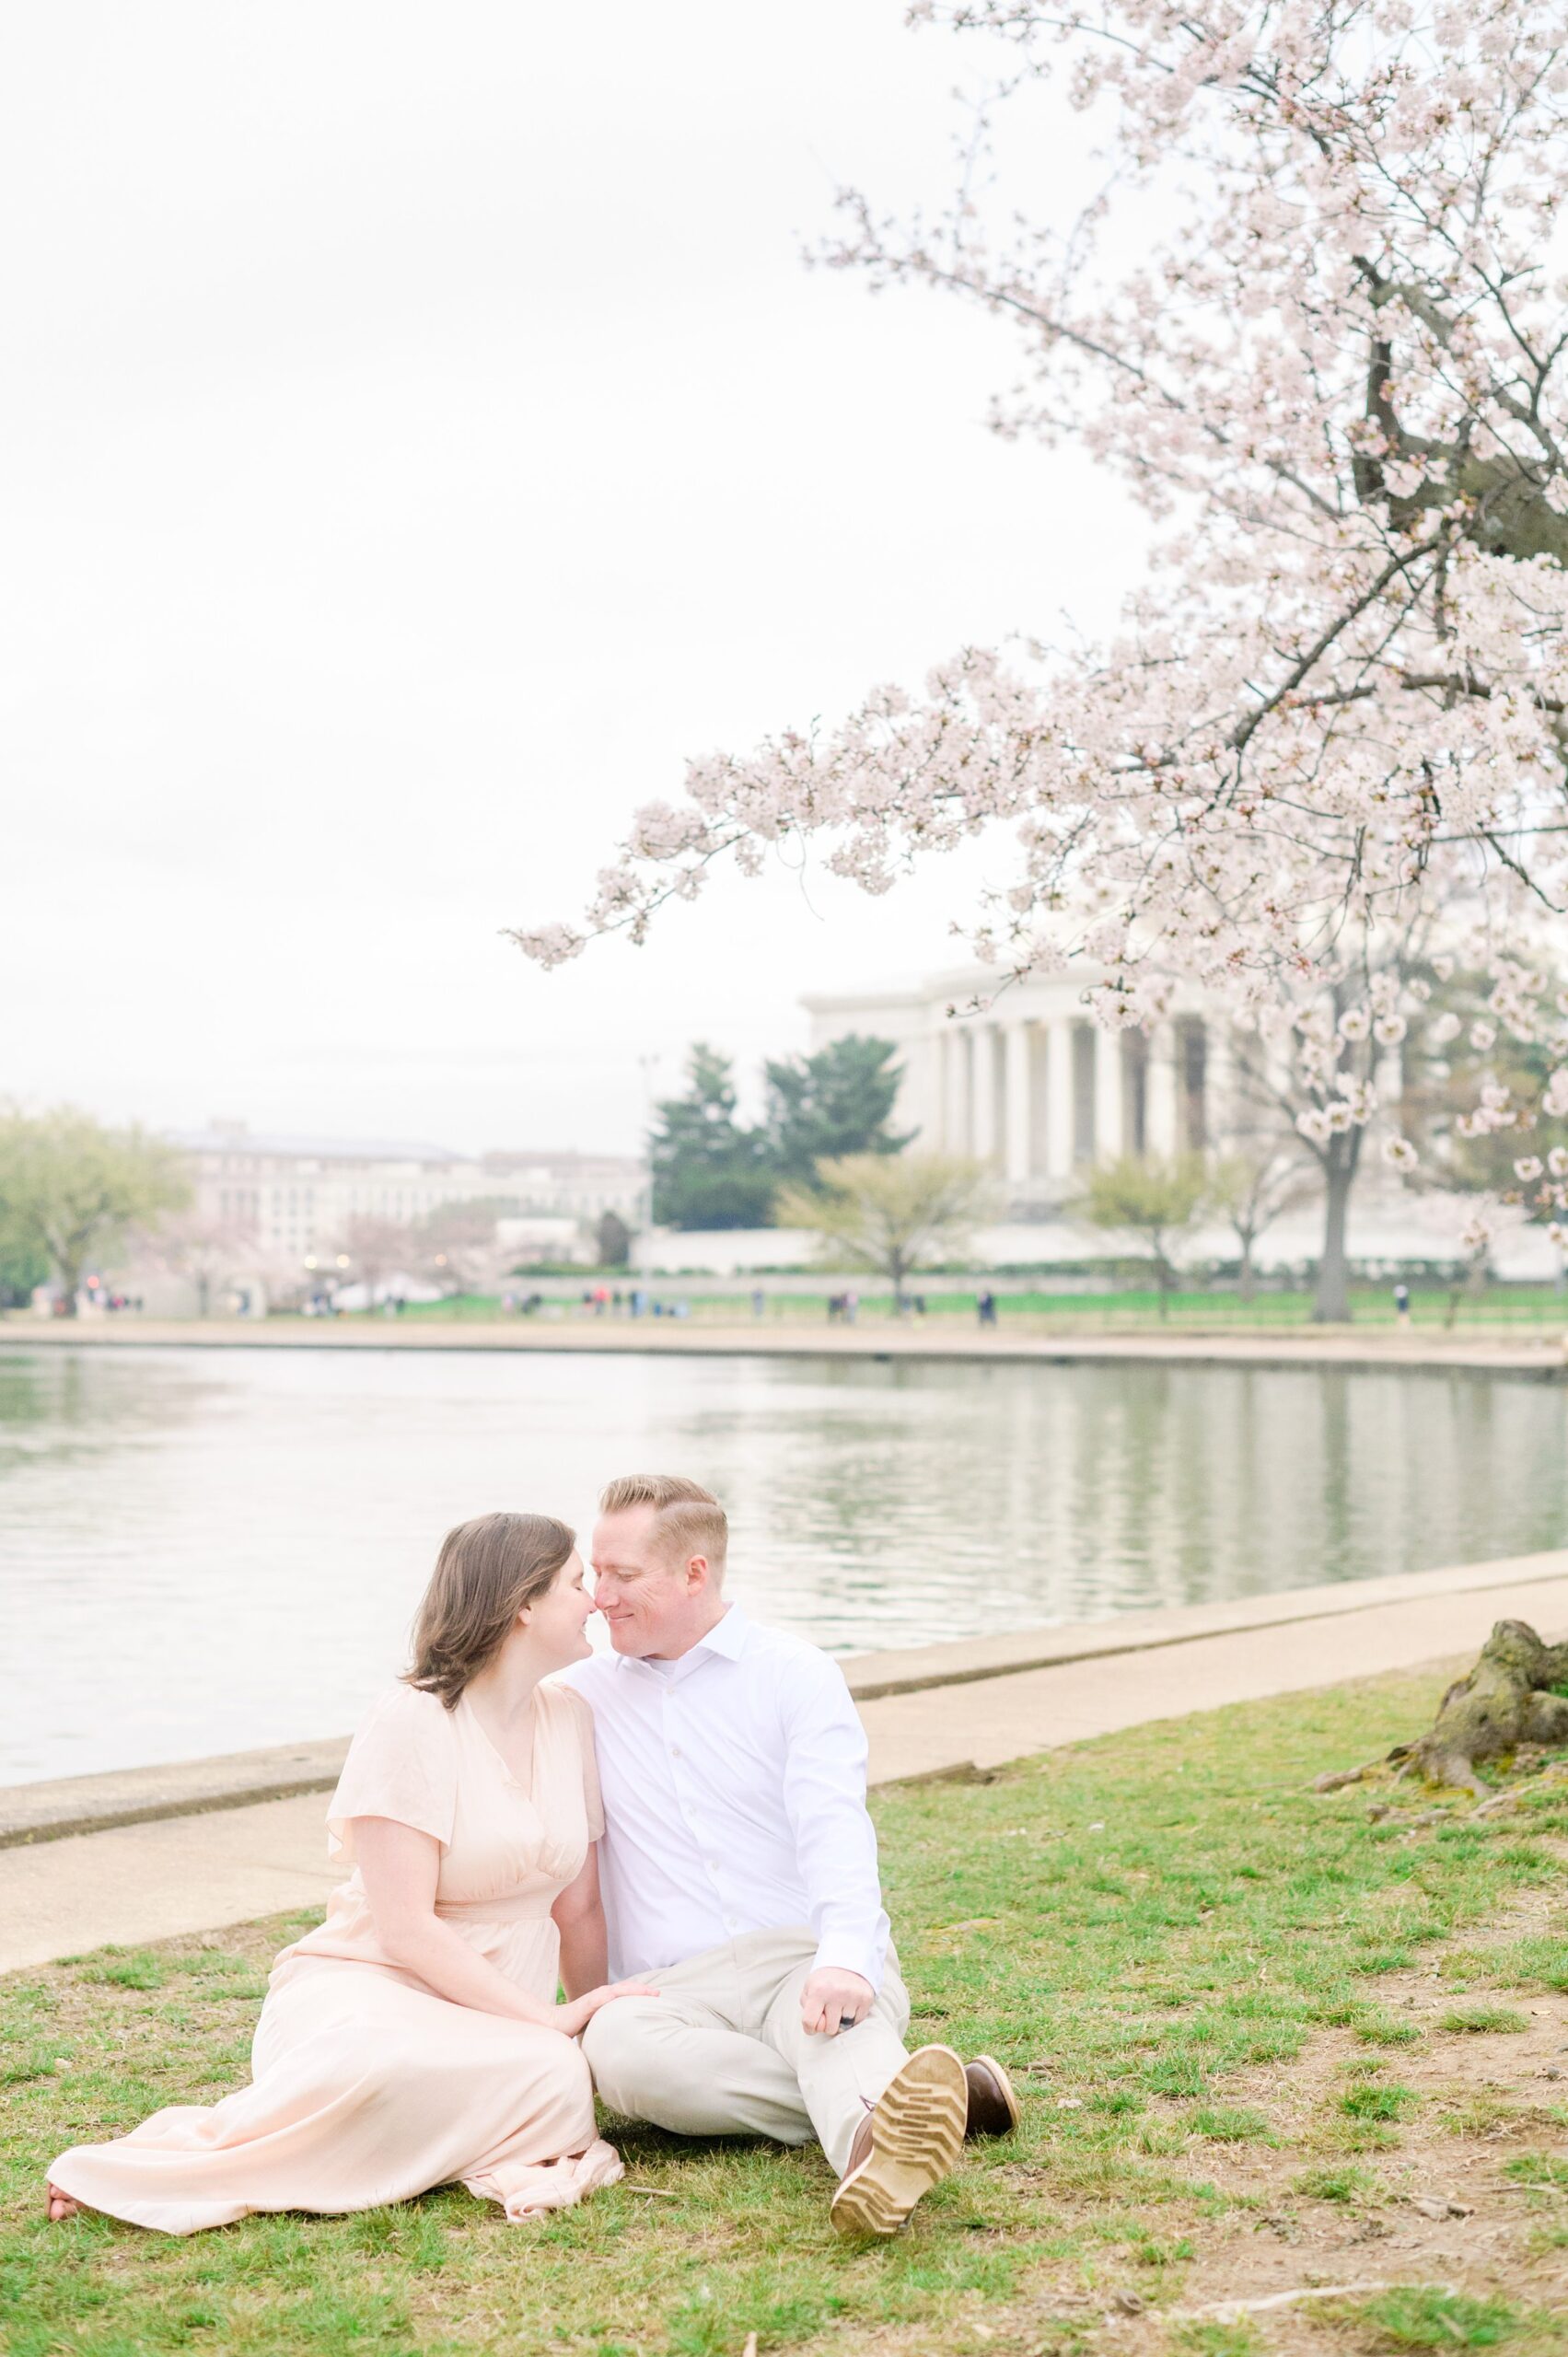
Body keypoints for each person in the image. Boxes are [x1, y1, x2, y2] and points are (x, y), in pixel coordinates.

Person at [45, 1514, 653, 2235]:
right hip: (372, 1983)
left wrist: (585, 2034)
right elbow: (405, 1927)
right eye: (578, 1583)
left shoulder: (570, 1717)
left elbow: (577, 1908)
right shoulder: (412, 1721)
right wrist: (547, 2020)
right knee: (381, 2063)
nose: (594, 1601)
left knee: (555, 2081)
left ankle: (422, 2121)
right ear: (523, 1603)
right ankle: (174, 2167)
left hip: (497, 2010)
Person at [561, 1474, 1018, 2238]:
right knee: (623, 2059)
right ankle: (933, 2104)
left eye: (622, 1575)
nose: (598, 1595)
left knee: (833, 2028)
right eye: (593, 1572)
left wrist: (844, 1956)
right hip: (669, 1990)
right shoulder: (577, 1695)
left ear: (693, 1573)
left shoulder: (794, 1673)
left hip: (798, 1958)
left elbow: (832, 1824)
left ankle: (878, 2153)